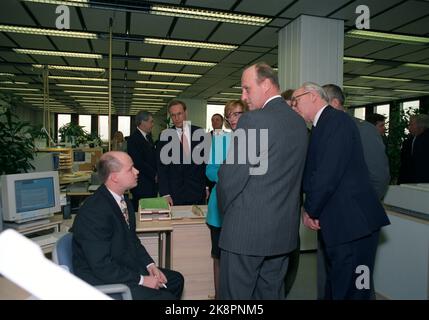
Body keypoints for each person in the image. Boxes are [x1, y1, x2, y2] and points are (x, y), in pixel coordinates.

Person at [216, 62, 308, 299]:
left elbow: (229, 178)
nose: (243, 96)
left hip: (245, 233)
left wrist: (226, 213)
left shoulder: (254, 120)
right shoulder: (299, 123)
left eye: (247, 89)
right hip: (282, 232)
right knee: (270, 293)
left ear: (266, 85)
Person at [293, 82, 390, 300]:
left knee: (357, 289)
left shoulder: (336, 121)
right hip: (343, 224)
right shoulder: (323, 125)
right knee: (340, 285)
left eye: (296, 100)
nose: (294, 106)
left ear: (313, 96)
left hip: (355, 226)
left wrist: (310, 210)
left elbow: (327, 174)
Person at [72, 151, 184, 300]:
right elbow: (101, 266)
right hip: (101, 280)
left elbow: (133, 241)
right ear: (114, 177)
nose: (137, 171)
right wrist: (143, 280)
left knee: (176, 280)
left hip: (121, 266)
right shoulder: (94, 212)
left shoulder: (123, 200)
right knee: (165, 297)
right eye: (130, 169)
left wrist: (150, 266)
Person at [206, 100, 247, 299]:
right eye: (229, 115)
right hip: (219, 209)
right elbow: (210, 170)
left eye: (236, 114)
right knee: (219, 257)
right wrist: (229, 172)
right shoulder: (221, 140)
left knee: (241, 260)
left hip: (245, 209)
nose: (232, 119)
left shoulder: (255, 140)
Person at [157, 100, 208, 206]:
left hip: (197, 191)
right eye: (173, 115)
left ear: (186, 113)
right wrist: (165, 194)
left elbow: (205, 163)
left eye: (179, 114)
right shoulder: (165, 136)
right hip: (175, 194)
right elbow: (162, 168)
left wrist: (206, 186)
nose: (177, 118)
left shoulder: (200, 133)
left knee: (198, 222)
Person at [127, 111, 158, 211]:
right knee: (143, 212)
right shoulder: (133, 139)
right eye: (151, 122)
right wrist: (154, 174)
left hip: (150, 183)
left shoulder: (148, 137)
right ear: (142, 122)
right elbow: (138, 162)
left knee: (151, 210)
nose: (152, 125)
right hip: (142, 184)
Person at [398, 114, 429, 184]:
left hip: (424, 184)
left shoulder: (426, 140)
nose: (409, 127)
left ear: (421, 125)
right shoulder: (408, 142)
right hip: (408, 183)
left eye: (411, 124)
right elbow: (404, 165)